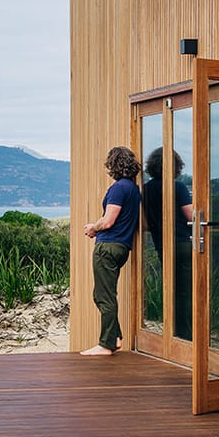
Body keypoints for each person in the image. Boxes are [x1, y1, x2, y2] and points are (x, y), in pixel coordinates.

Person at [80, 145, 141, 355]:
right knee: (101, 294)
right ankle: (114, 337)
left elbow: (108, 221)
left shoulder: (119, 188)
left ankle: (105, 345)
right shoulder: (133, 189)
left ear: (113, 165)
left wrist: (92, 228)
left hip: (107, 247)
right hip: (122, 246)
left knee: (104, 297)